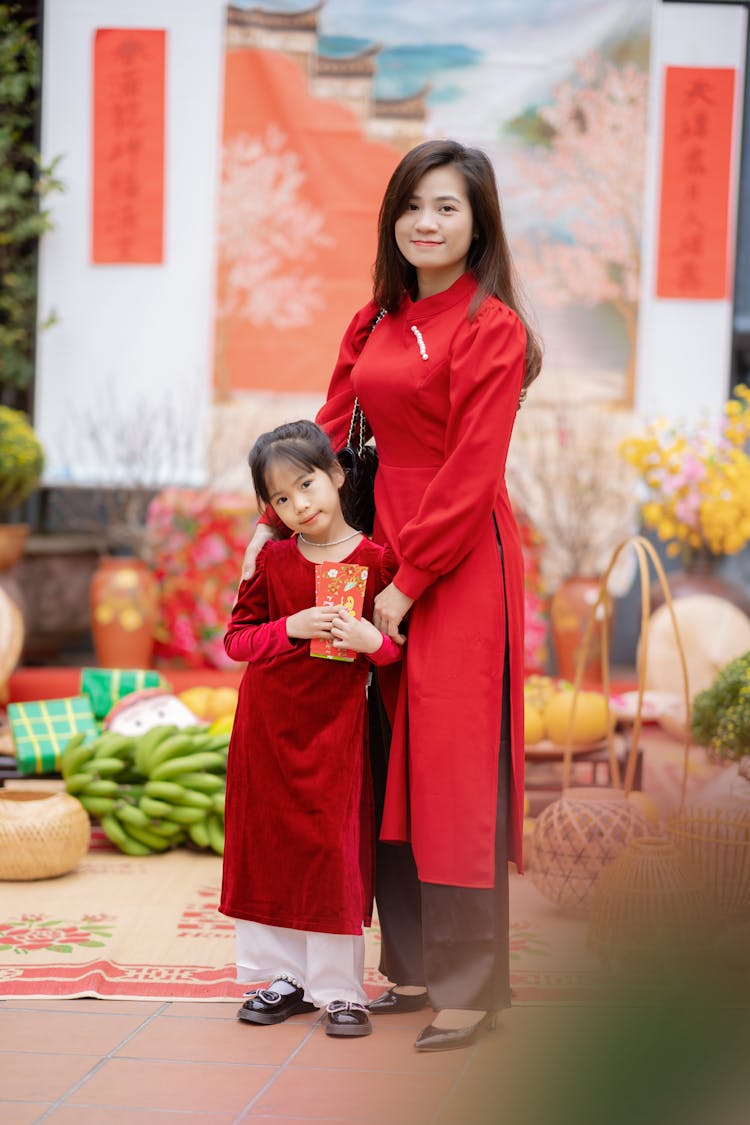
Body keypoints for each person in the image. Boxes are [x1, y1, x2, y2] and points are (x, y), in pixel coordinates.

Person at [242, 139, 542, 1052]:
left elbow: (470, 468)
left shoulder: (494, 329)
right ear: (393, 218)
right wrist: (270, 526)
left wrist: (408, 584)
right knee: (378, 757)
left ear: (478, 221)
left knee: (449, 769)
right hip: (363, 553)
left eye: (447, 206)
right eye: (413, 204)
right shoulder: (374, 319)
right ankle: (411, 965)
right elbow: (325, 431)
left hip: (456, 559)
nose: (427, 221)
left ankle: (473, 985)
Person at [220, 419, 402, 1039]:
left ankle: (340, 990)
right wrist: (292, 626)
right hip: (267, 728)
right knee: (269, 849)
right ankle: (283, 979)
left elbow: (400, 650)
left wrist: (372, 641)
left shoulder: (378, 560)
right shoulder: (271, 560)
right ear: (268, 509)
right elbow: (237, 641)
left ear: (337, 475)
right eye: (280, 498)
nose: (299, 504)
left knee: (332, 852)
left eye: (307, 484)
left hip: (336, 732)